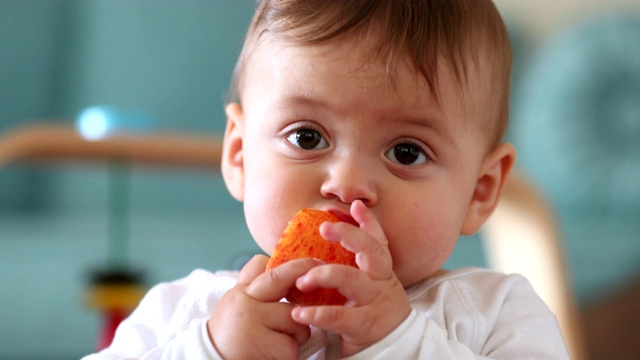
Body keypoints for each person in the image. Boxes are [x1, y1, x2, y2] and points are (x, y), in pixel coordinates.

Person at [83, 0, 569, 359]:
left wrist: (398, 342)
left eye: (406, 152)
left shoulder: (495, 314)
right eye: (307, 137)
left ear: (479, 192)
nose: (347, 183)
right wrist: (211, 351)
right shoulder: (186, 311)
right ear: (239, 154)